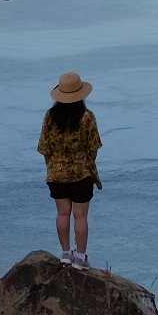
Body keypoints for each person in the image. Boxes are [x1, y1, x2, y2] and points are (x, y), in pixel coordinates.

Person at [39, 71, 102, 268]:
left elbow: (44, 148)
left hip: (56, 174)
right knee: (80, 216)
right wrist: (85, 163)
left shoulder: (50, 116)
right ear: (81, 94)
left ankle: (66, 254)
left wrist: (53, 166)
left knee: (62, 214)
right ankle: (81, 258)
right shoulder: (87, 118)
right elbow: (93, 148)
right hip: (81, 173)